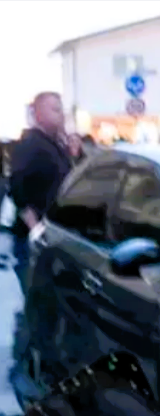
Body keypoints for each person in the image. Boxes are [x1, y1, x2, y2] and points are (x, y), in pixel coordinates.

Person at [9, 91, 71, 292]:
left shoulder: (54, 145)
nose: (61, 114)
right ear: (38, 114)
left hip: (55, 236)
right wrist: (35, 228)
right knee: (37, 296)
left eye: (61, 109)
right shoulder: (30, 144)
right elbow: (17, 187)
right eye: (55, 109)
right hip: (35, 240)